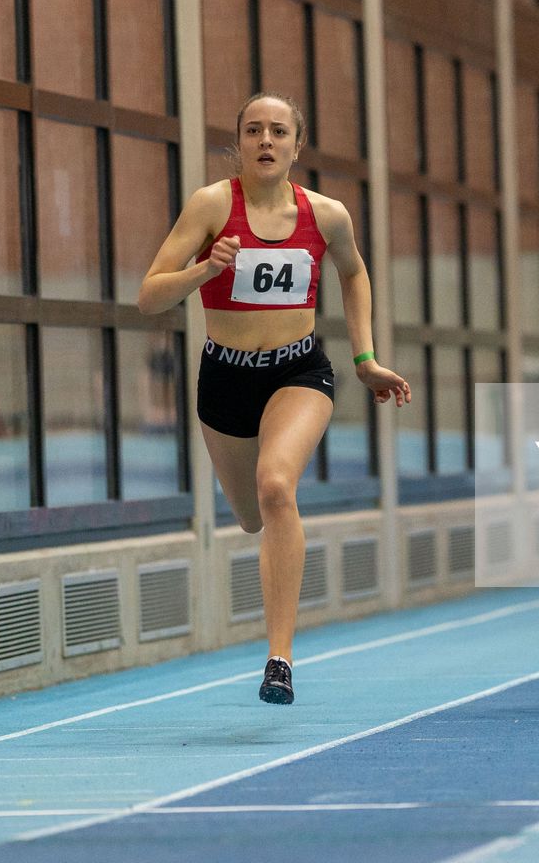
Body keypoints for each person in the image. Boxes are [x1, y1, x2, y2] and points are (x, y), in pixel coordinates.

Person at [138, 93, 411, 703]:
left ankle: (279, 659)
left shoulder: (326, 215)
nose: (266, 140)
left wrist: (365, 359)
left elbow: (354, 271)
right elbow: (150, 296)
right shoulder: (212, 205)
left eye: (278, 131)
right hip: (225, 379)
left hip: (298, 371)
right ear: (239, 143)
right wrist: (204, 271)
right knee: (251, 515)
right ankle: (270, 552)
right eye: (254, 130)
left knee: (276, 487)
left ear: (296, 144)